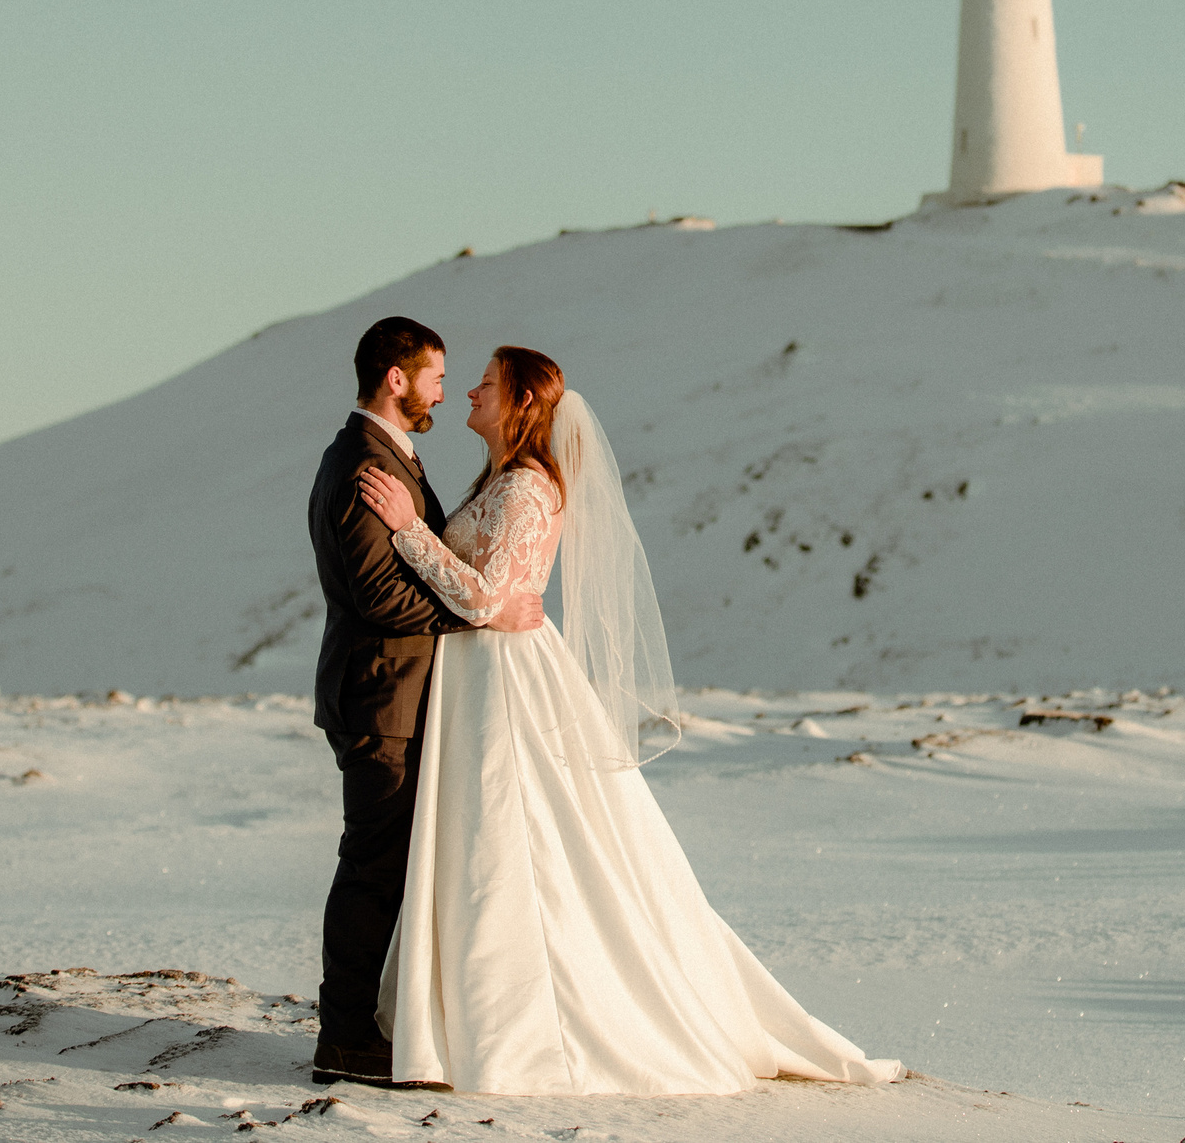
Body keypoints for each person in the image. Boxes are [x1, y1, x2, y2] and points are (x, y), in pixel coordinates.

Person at [355, 343, 902, 1095]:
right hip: (478, 678)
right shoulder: (501, 479)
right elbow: (491, 597)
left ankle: (515, 1030)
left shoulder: (526, 489)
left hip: (504, 682)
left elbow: (485, 600)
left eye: (488, 382)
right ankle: (465, 1017)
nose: (471, 392)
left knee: (515, 842)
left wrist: (410, 528)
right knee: (482, 844)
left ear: (520, 404)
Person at [306, 317, 544, 1088]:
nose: (452, 388)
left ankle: (376, 1024)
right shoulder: (357, 465)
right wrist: (484, 611)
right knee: (373, 868)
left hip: (405, 695)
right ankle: (344, 1038)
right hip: (380, 694)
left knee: (393, 866)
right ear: (397, 378)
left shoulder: (393, 457)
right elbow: (379, 595)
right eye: (439, 374)